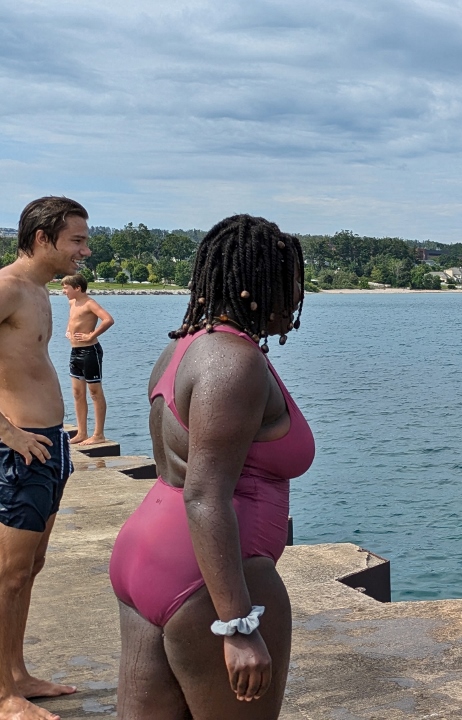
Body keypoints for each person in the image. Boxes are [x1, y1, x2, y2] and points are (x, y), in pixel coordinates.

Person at [109, 215, 313, 719]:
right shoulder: (234, 362)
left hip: (147, 552)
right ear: (255, 284)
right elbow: (205, 495)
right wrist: (238, 625)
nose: (299, 295)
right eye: (292, 281)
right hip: (209, 576)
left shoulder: (183, 347)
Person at [0, 196, 93, 720]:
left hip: (49, 444)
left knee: (29, 568)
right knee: (7, 574)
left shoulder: (39, 292)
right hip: (19, 448)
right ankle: (0, 695)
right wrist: (7, 434)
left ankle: (15, 674)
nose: (85, 250)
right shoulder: (7, 288)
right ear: (43, 238)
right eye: (77, 240)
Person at [60, 275, 114, 445]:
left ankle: (99, 434)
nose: (63, 291)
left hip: (90, 351)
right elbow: (72, 320)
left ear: (77, 288)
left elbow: (108, 319)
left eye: (66, 288)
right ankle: (82, 432)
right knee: (77, 393)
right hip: (75, 352)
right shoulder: (72, 303)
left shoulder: (90, 303)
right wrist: (68, 330)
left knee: (95, 392)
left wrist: (92, 334)